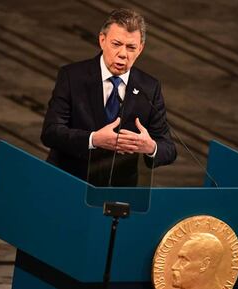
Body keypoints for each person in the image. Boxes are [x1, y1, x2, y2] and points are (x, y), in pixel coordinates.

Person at [41, 8, 176, 185]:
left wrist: (150, 147)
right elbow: (51, 132)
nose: (122, 54)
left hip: (119, 193)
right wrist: (93, 139)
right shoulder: (72, 76)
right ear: (102, 40)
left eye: (131, 47)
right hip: (69, 184)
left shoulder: (149, 88)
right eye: (116, 44)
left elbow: (169, 148)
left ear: (140, 49)